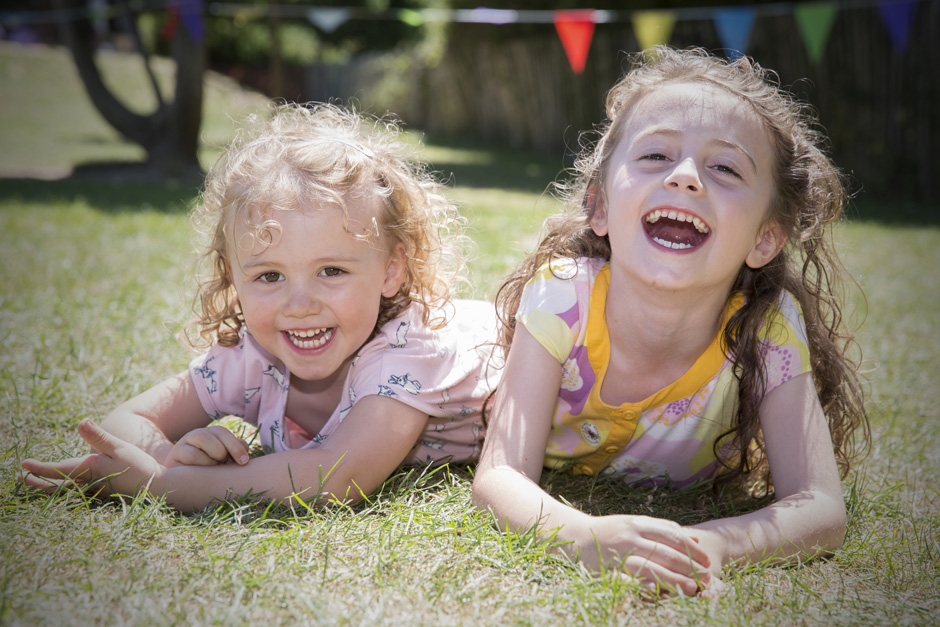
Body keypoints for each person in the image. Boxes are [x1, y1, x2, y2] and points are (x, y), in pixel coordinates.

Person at [472, 47, 869, 598]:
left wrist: (711, 545)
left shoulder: (766, 329)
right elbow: (498, 477)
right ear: (601, 206)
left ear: (765, 238)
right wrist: (583, 536)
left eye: (725, 167)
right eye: (656, 156)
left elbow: (822, 510)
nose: (685, 178)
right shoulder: (561, 297)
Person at [22, 103, 499, 512]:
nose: (300, 304)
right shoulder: (252, 356)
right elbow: (123, 426)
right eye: (269, 276)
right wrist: (172, 454)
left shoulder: (410, 348)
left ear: (391, 271)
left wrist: (164, 484)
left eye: (331, 271)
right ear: (233, 276)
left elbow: (338, 475)